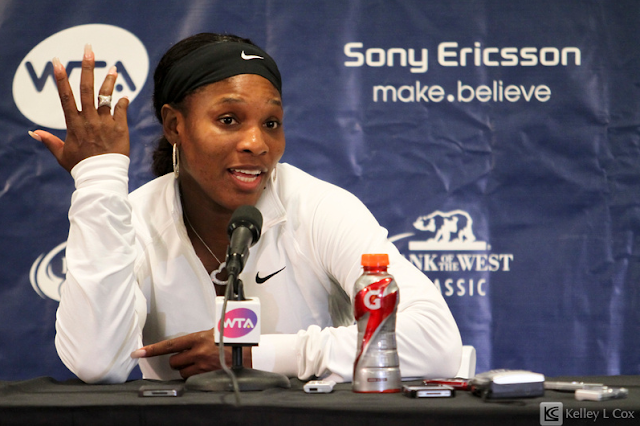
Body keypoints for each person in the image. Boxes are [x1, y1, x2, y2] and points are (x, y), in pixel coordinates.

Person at [30, 33, 462, 384]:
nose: (257, 143)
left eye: (271, 123)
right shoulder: (136, 217)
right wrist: (99, 181)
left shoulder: (316, 207)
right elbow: (96, 363)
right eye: (229, 120)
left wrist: (251, 353)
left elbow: (435, 342)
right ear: (175, 125)